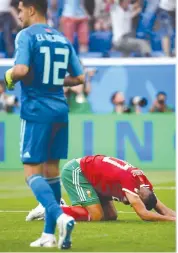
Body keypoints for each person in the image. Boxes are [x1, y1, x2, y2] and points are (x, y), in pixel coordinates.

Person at [4, 0, 85, 249]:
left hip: (36, 111)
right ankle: (49, 235)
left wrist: (7, 78)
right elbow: (80, 77)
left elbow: (20, 69)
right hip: (60, 110)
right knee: (52, 173)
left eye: (19, 10)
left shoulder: (26, 36)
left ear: (30, 9)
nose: (18, 15)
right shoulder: (62, 38)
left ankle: (60, 216)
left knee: (31, 173)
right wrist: (55, 81)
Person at [26, 155, 176, 222]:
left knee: (110, 216)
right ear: (138, 194)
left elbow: (162, 208)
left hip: (98, 181)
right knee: (96, 216)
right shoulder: (131, 183)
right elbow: (144, 214)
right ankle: (51, 209)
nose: (131, 203)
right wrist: (171, 220)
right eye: (134, 202)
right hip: (77, 171)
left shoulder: (145, 185)